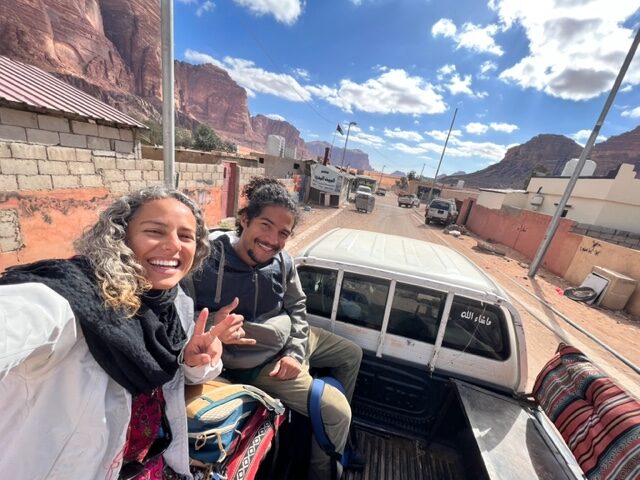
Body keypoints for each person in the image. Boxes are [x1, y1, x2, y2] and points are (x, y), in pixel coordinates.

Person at [0, 186, 245, 480]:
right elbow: (18, 319)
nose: (173, 246)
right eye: (155, 231)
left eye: (185, 236)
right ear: (121, 236)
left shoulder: (172, 303)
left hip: (152, 463)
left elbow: (177, 377)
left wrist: (197, 361)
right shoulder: (73, 297)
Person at [190, 177, 363, 480]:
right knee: (337, 411)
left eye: (283, 232)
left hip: (290, 341)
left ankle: (334, 437)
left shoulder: (282, 261)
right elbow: (178, 312)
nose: (273, 239)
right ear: (244, 220)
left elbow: (297, 306)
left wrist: (296, 353)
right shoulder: (205, 261)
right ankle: (322, 471)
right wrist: (214, 328)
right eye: (265, 225)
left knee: (352, 354)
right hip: (256, 363)